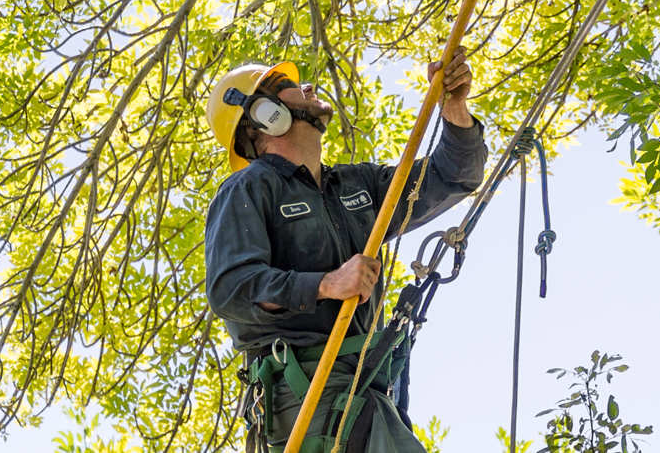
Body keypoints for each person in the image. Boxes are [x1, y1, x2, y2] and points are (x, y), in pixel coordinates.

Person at [202, 49, 487, 453]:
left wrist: (454, 107)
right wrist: (326, 284)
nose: (308, 87)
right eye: (289, 88)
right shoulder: (248, 190)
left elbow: (453, 176)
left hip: (366, 389)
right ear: (266, 115)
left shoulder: (356, 186)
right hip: (309, 397)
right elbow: (232, 287)